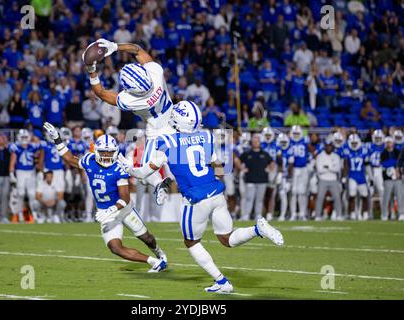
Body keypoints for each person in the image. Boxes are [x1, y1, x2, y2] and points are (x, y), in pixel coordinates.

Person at [118, 101, 283, 293]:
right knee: (226, 239)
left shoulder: (168, 141)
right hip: (216, 192)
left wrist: (128, 168)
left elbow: (143, 173)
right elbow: (218, 166)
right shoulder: (206, 136)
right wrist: (212, 178)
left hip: (195, 199)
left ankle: (222, 282)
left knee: (191, 242)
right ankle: (257, 229)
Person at [43, 122, 168, 272]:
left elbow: (125, 198)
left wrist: (111, 209)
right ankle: (155, 262)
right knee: (115, 248)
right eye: (103, 152)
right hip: (105, 212)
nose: (106, 155)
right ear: (96, 151)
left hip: (123, 209)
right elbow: (70, 159)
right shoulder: (90, 161)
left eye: (109, 152)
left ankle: (159, 253)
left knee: (146, 238)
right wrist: (57, 140)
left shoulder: (120, 167)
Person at [83, 39, 173, 205]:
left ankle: (159, 184)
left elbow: (101, 93)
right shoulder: (156, 73)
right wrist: (115, 46)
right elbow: (138, 50)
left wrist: (92, 71)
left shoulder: (132, 100)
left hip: (157, 131)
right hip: (175, 119)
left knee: (143, 174)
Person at [237, 133, 276, 221]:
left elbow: (272, 162)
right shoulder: (247, 153)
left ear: (259, 143)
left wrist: (269, 169)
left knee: (259, 199)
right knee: (249, 198)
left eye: (257, 142)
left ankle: (258, 214)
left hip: (262, 179)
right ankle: (247, 214)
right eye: (254, 142)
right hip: (250, 179)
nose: (255, 143)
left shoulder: (264, 153)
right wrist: (242, 168)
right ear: (251, 143)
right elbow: (237, 160)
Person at [9, 129, 41, 222]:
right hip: (20, 172)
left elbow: (39, 148)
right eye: (22, 137)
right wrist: (11, 173)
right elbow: (13, 161)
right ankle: (20, 214)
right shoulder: (16, 147)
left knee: (31, 194)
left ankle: (34, 214)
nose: (24, 139)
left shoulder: (33, 146)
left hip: (31, 172)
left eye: (26, 137)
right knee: (21, 194)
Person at [343, 134, 370, 221]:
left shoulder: (364, 151)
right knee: (352, 195)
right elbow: (346, 165)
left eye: (355, 143)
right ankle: (352, 213)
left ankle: (365, 213)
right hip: (352, 176)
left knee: (364, 195)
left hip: (361, 176)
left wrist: (369, 176)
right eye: (352, 143)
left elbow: (367, 165)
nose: (354, 145)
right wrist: (344, 177)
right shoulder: (347, 151)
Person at [315, 137, 343, 221]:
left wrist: (327, 167)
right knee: (320, 198)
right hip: (322, 179)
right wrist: (331, 167)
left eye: (330, 146)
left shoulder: (336, 156)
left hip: (333, 179)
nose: (328, 148)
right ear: (325, 146)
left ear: (332, 147)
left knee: (337, 197)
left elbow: (337, 169)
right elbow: (319, 170)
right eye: (327, 146)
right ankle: (317, 215)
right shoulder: (320, 156)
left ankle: (339, 215)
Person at [287, 125, 310, 220]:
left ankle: (302, 213)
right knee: (293, 192)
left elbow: (310, 152)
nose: (296, 135)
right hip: (294, 168)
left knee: (302, 192)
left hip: (303, 168)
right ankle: (293, 213)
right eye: (294, 133)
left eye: (297, 133)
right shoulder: (289, 141)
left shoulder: (305, 141)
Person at [380, 137, 403, 221]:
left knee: (400, 196)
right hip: (387, 178)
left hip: (397, 178)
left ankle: (401, 213)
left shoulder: (397, 152)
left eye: (389, 142)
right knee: (386, 197)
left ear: (393, 143)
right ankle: (384, 214)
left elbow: (401, 162)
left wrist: (394, 164)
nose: (388, 144)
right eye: (387, 143)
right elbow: (384, 163)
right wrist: (394, 163)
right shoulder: (383, 153)